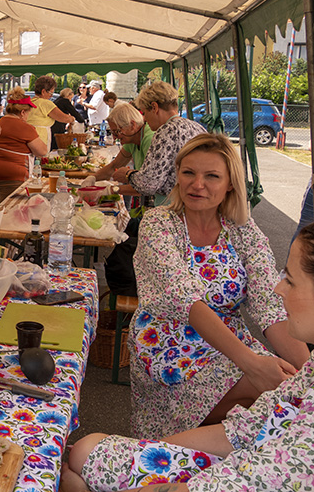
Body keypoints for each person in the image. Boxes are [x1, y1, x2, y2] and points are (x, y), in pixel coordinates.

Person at [62, 220, 314, 492]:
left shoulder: (242, 229)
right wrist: (146, 451)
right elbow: (242, 431)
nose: (279, 288)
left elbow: (234, 483)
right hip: (173, 350)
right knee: (85, 452)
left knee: (82, 471)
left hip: (239, 475)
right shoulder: (161, 223)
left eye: (290, 281)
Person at [127, 133, 310, 440]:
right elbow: (186, 300)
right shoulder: (159, 223)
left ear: (230, 184)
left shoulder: (241, 229)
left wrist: (308, 373)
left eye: (211, 176)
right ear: (177, 176)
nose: (197, 184)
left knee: (294, 387)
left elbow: (269, 303)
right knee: (277, 395)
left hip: (229, 342)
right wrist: (253, 364)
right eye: (188, 172)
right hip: (168, 342)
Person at [113, 81, 206, 204]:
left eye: (145, 113)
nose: (145, 119)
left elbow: (148, 184)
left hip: (174, 206)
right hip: (197, 204)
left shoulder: (166, 131)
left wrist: (128, 174)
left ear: (154, 107)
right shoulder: (197, 127)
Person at [0, 86, 47, 204]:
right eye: (28, 113)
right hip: (13, 176)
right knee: (9, 210)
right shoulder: (25, 127)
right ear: (22, 112)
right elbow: (42, 151)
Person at [94, 103, 155, 200]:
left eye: (117, 132)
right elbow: (114, 166)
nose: (114, 137)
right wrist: (92, 179)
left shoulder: (149, 139)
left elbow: (148, 184)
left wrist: (113, 189)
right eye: (112, 133)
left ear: (132, 125)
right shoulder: (132, 138)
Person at [26, 75, 75, 151]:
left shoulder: (30, 102)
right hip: (39, 138)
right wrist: (72, 119)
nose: (51, 96)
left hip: (28, 136)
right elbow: (64, 118)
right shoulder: (45, 103)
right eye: (50, 93)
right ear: (43, 91)